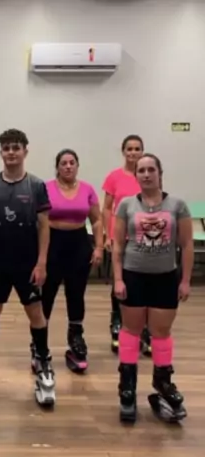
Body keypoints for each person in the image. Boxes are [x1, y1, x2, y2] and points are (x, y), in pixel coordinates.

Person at [0, 128, 54, 408]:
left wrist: (41, 263)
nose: (11, 152)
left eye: (16, 147)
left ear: (25, 151)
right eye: (6, 148)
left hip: (28, 263)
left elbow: (44, 226)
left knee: (36, 313)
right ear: (1, 152)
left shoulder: (36, 186)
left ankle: (43, 360)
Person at [113, 154, 193, 424]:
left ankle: (163, 382)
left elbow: (187, 245)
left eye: (151, 170)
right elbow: (118, 245)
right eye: (141, 170)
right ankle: (127, 387)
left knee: (161, 333)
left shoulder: (177, 205)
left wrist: (185, 280)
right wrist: (118, 279)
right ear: (136, 175)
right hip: (133, 276)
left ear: (160, 173)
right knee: (131, 331)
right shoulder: (126, 205)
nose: (146, 174)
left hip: (165, 278)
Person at [40, 149, 103, 374]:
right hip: (52, 244)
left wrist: (98, 247)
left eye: (72, 162)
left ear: (77, 165)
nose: (68, 166)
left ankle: (76, 338)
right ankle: (39, 343)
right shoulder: (45, 188)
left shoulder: (87, 189)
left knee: (76, 294)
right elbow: (38, 220)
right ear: (57, 167)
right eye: (63, 163)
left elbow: (96, 220)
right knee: (47, 294)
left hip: (78, 244)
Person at [102, 134, 151, 356]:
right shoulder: (114, 177)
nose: (133, 152)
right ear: (123, 152)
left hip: (145, 238)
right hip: (120, 238)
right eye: (129, 149)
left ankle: (145, 329)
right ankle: (117, 323)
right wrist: (107, 235)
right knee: (120, 282)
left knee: (144, 283)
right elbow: (107, 208)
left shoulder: (147, 175)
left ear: (142, 151)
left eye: (137, 148)